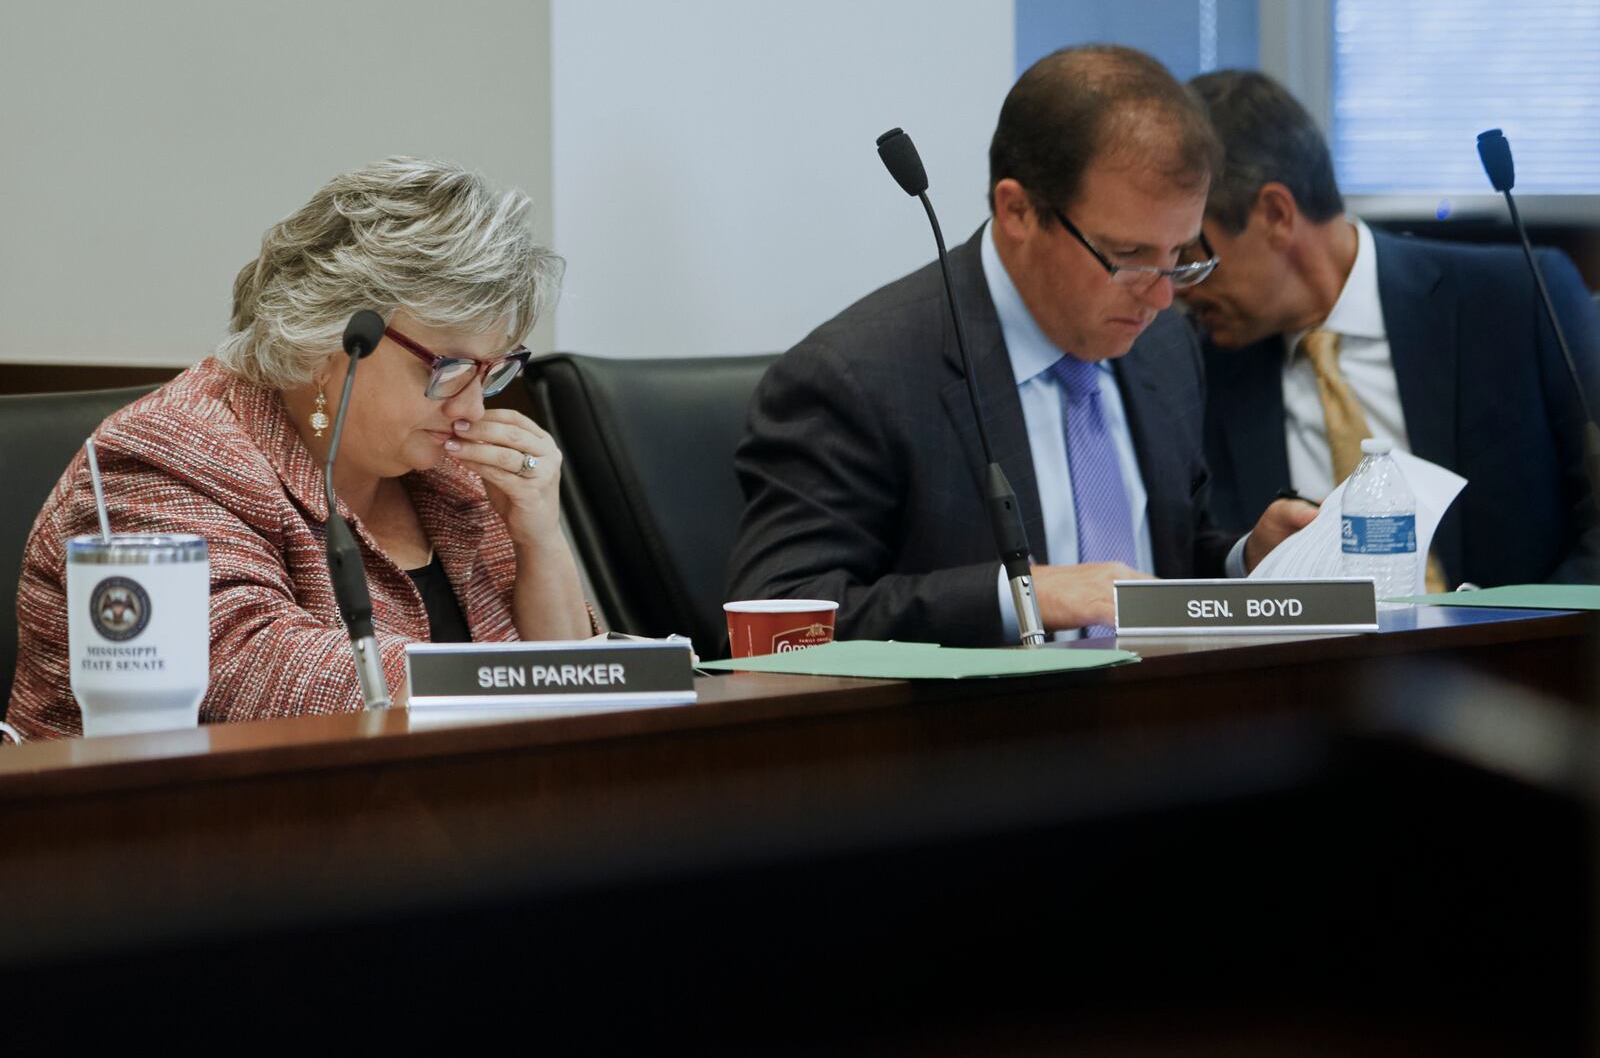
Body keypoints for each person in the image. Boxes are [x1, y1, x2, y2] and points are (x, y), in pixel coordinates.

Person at [726, 46, 1313, 646]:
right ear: (1018, 211)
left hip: (1167, 725)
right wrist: (1022, 596)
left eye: (1181, 257)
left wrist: (1246, 564)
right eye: (1129, 256)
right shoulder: (857, 379)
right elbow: (778, 616)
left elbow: (1158, 566)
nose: (1162, 300)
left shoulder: (1163, 349)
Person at [9, 157, 594, 739]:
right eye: (451, 368)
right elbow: (256, 672)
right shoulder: (166, 453)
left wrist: (538, 539)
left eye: (493, 371)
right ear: (326, 341)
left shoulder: (444, 468)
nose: (472, 408)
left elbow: (589, 702)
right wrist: (517, 685)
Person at [1181, 70, 1600, 588]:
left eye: (1190, 253)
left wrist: (1520, 641)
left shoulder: (1518, 300)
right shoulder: (1194, 372)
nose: (1178, 286)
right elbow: (1197, 557)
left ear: (1275, 214)